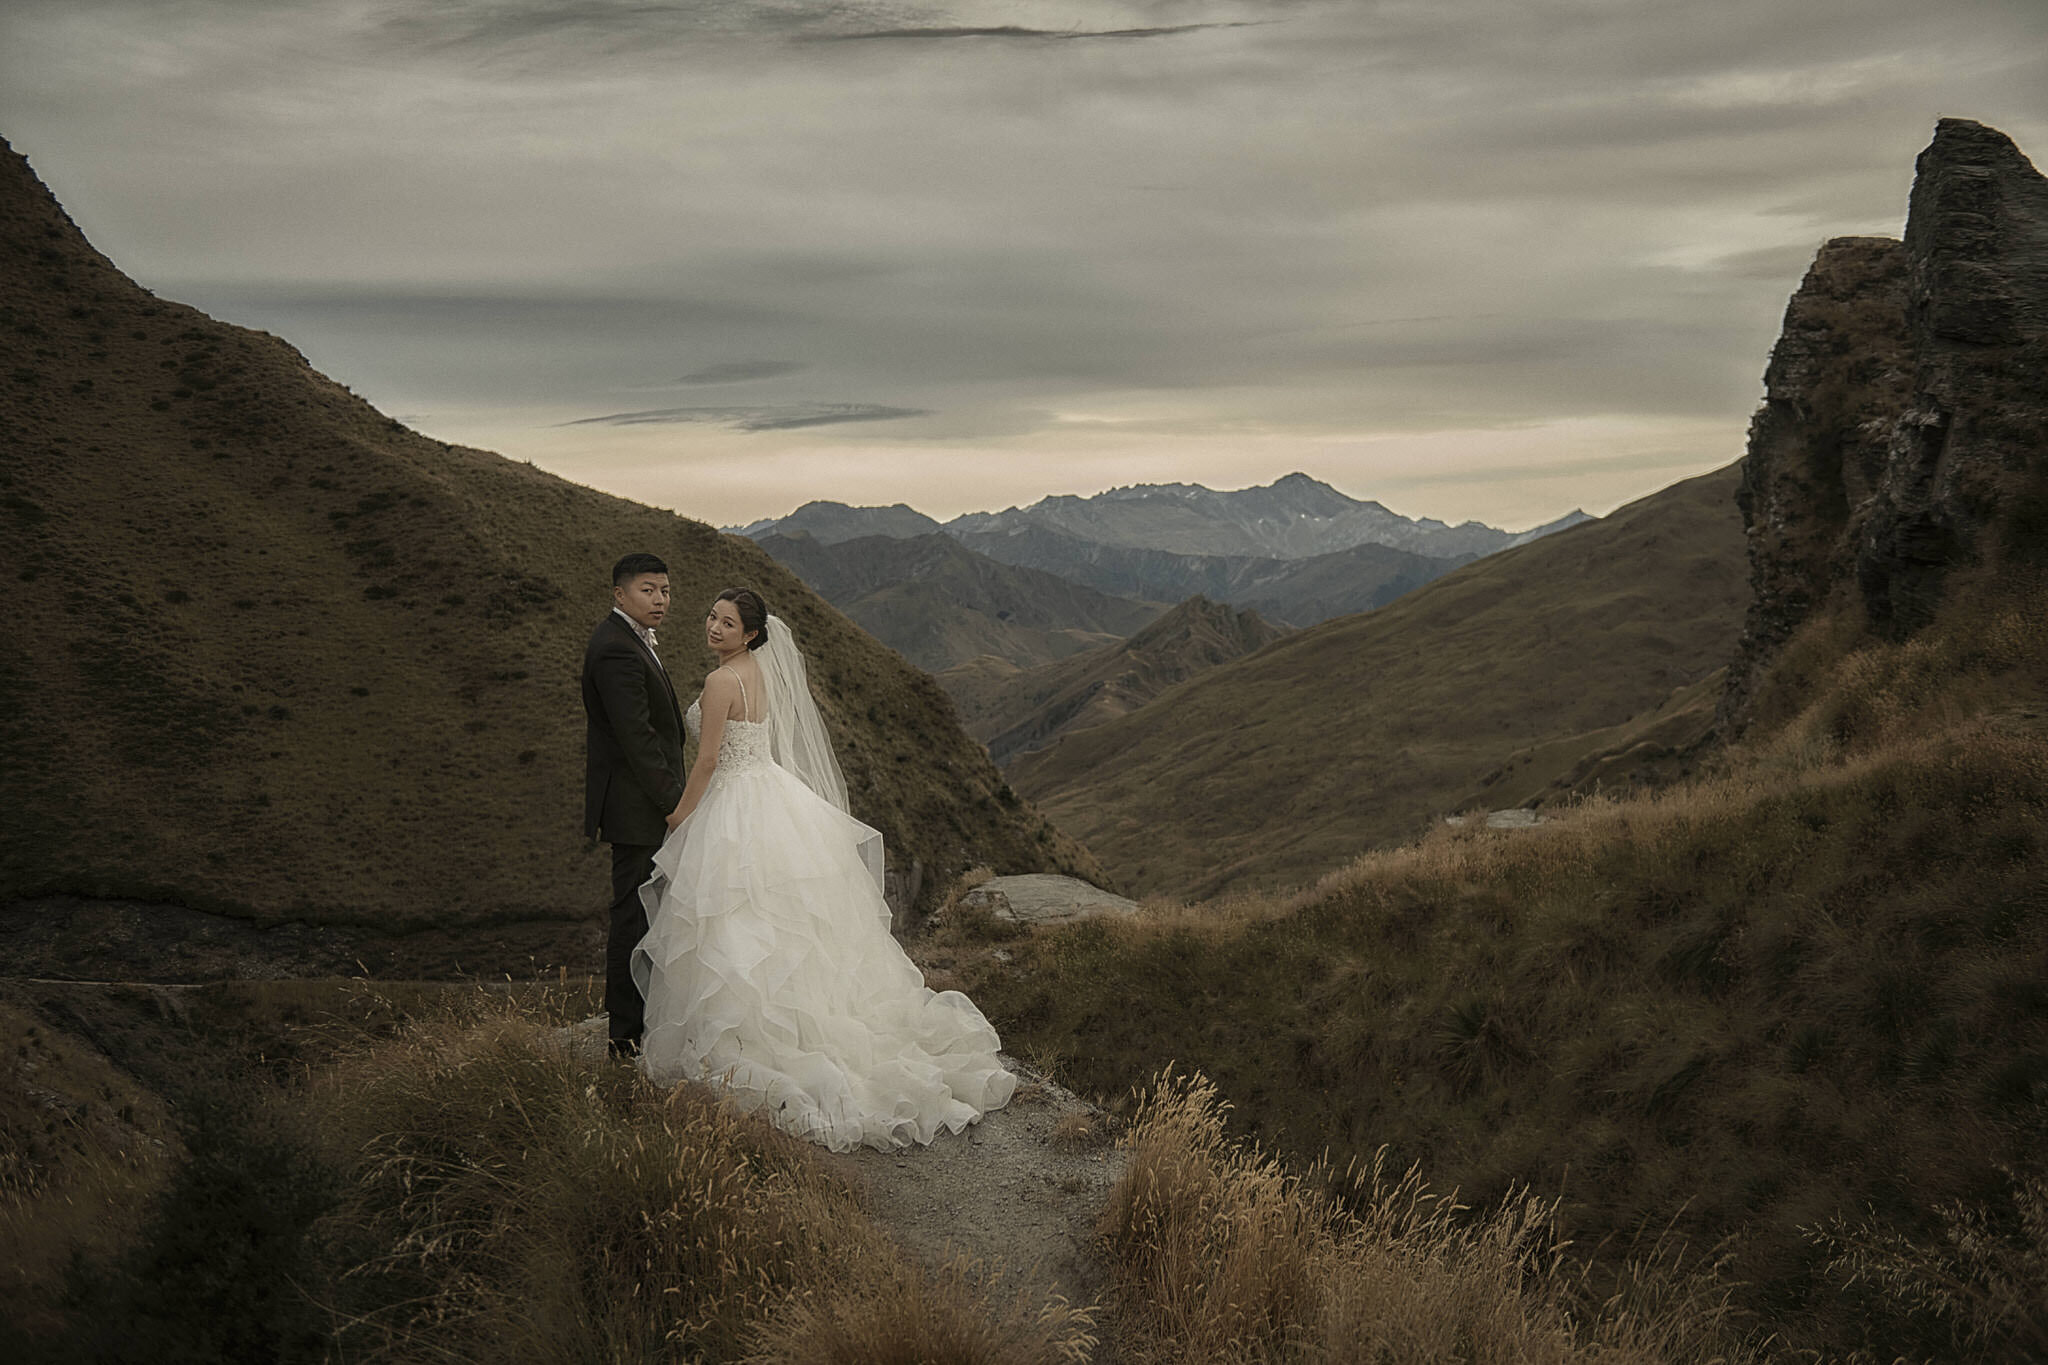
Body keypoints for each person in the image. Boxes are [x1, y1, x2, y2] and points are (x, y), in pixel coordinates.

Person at [632, 587, 1017, 1152]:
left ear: (752, 634)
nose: (713, 627)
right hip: (773, 795)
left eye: (728, 623)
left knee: (737, 921)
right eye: (712, 617)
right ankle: (796, 1022)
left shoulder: (719, 682)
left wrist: (679, 815)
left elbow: (710, 758)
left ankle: (748, 1037)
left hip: (736, 804)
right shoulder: (759, 672)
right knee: (784, 920)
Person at [581, 553, 687, 1060]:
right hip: (637, 807)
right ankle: (623, 1038)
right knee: (632, 917)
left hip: (644, 802)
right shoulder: (615, 650)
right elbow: (637, 739)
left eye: (665, 590)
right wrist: (674, 804)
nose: (660, 600)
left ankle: (642, 1022)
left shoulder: (632, 640)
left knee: (646, 913)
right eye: (648, 590)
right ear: (620, 594)